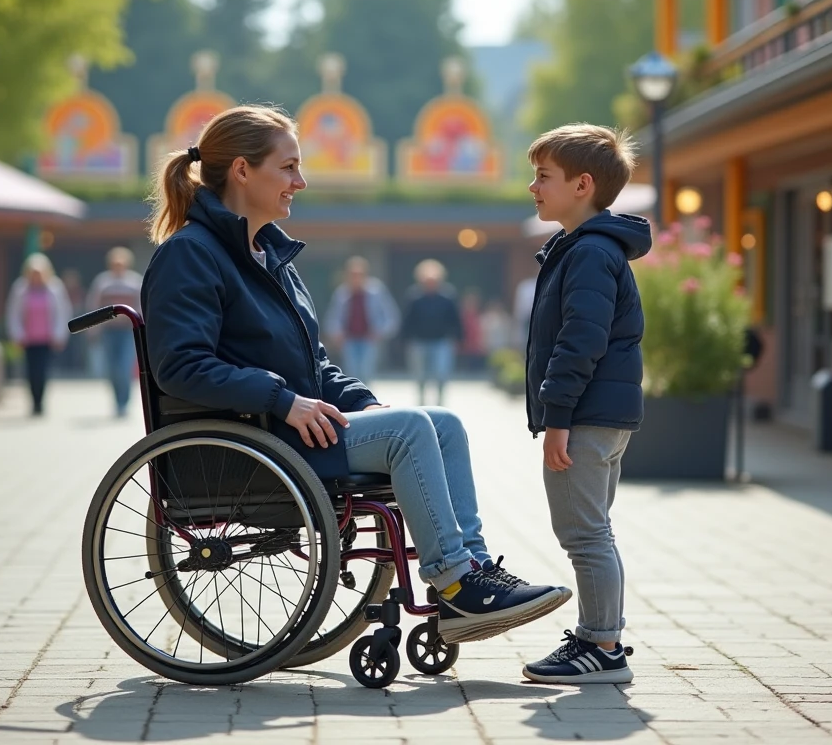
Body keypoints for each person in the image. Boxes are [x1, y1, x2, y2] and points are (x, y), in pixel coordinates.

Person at [141, 105, 570, 645]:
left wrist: (364, 403)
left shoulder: (270, 257)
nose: (301, 181)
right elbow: (180, 366)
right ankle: (457, 583)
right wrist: (282, 400)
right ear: (243, 171)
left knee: (440, 422)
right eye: (289, 167)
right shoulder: (190, 255)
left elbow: (313, 362)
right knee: (412, 431)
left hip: (290, 429)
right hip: (249, 441)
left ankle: (471, 575)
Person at [519, 123, 651, 684]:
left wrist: (557, 418)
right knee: (593, 528)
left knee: (584, 532)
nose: (533, 187)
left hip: (587, 414)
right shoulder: (585, 249)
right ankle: (602, 638)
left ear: (583, 185)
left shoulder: (591, 253)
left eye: (543, 176)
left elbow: (581, 341)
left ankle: (601, 646)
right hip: (601, 412)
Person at [6, 253, 72, 416]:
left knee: (42, 371)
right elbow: (13, 313)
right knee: (30, 371)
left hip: (47, 338)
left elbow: (62, 312)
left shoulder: (55, 288)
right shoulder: (20, 288)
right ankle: (33, 400)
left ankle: (40, 401)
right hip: (28, 339)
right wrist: (17, 335)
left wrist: (60, 335)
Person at [323, 256, 399, 386]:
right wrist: (336, 333)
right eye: (352, 274)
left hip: (369, 339)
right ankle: (354, 399)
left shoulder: (377, 291)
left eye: (359, 274)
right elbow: (333, 316)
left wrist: (380, 332)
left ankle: (366, 399)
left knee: (366, 371)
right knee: (352, 372)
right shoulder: (342, 292)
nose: (355, 277)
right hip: (349, 339)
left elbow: (391, 316)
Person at [86, 247, 144, 416]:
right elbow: (94, 305)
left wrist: (141, 329)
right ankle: (117, 399)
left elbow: (141, 306)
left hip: (127, 331)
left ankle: (124, 401)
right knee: (112, 368)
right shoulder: (103, 282)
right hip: (108, 331)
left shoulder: (134, 282)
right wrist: (92, 330)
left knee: (124, 367)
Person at [400, 259, 463, 406]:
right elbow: (407, 320)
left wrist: (459, 338)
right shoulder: (414, 296)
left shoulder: (448, 297)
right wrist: (404, 339)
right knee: (419, 374)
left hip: (441, 341)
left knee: (442, 373)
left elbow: (456, 319)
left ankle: (440, 402)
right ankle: (422, 401)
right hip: (418, 342)